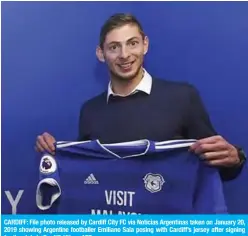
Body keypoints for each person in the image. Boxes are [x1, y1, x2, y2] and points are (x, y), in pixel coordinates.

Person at [35, 13, 246, 181]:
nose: (125, 54)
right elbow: (84, 174)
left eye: (132, 43)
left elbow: (221, 166)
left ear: (145, 44)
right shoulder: (90, 110)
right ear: (101, 53)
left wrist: (235, 158)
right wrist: (55, 152)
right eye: (114, 47)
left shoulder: (182, 97)